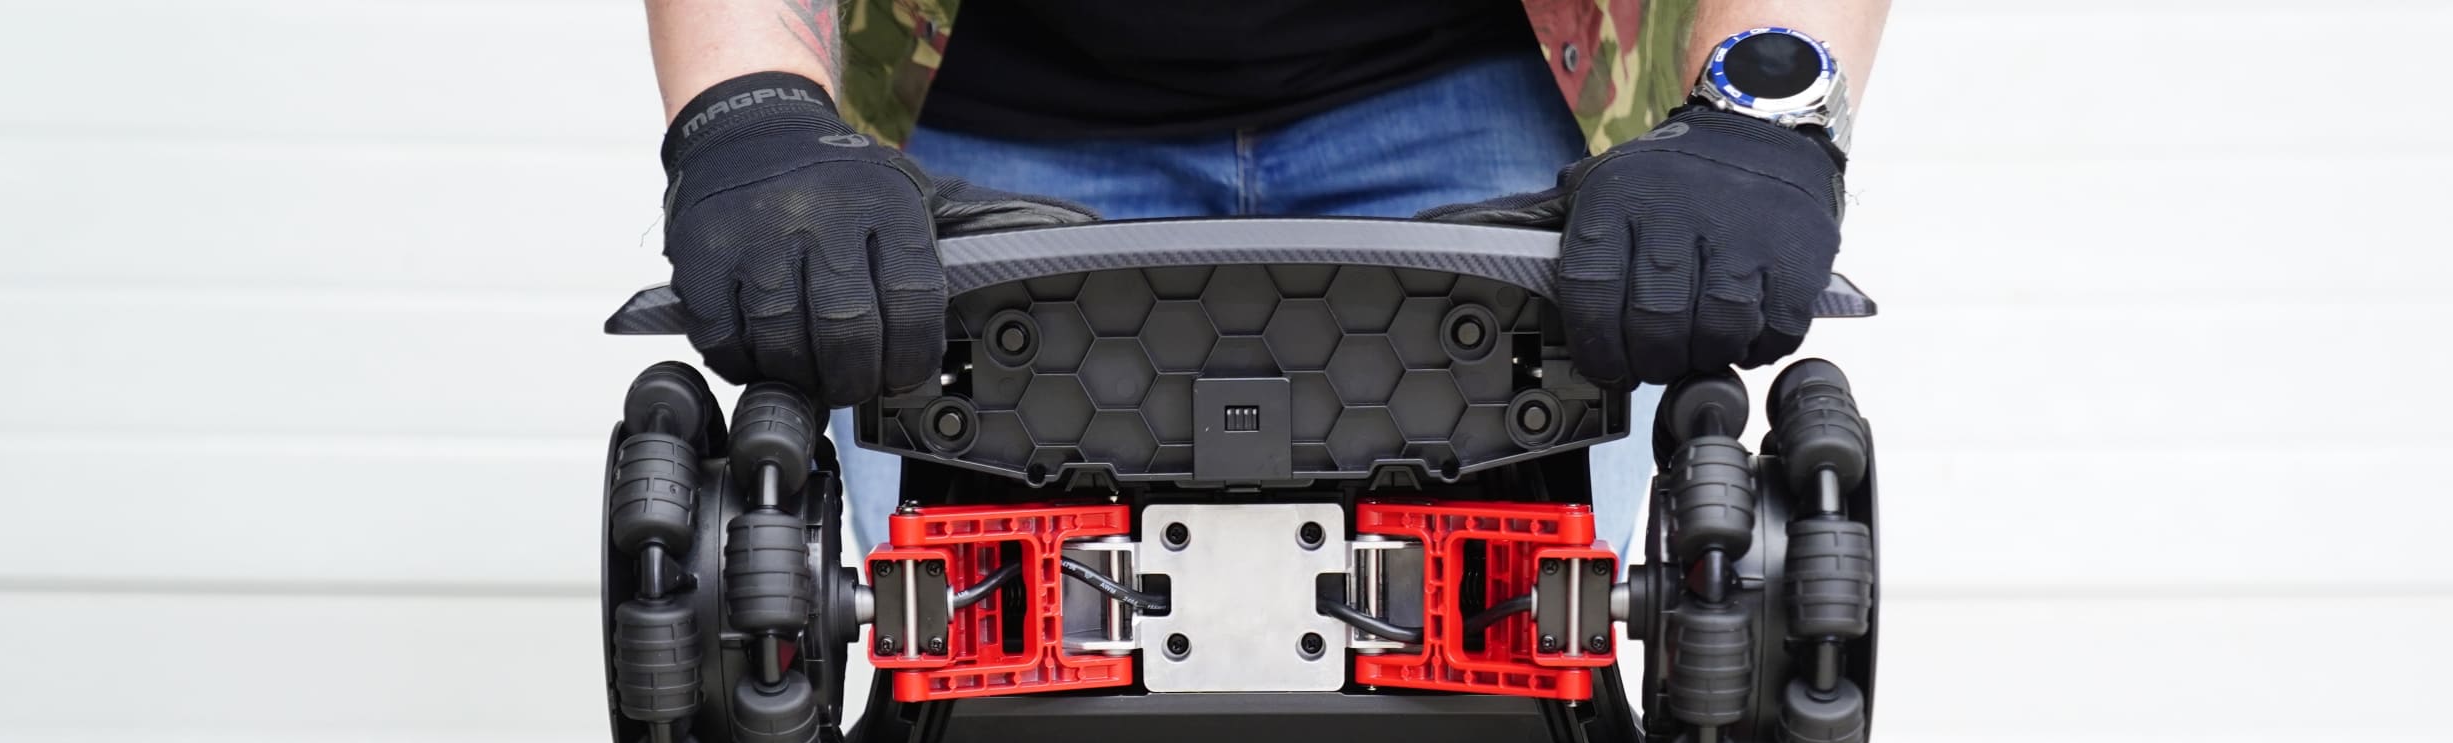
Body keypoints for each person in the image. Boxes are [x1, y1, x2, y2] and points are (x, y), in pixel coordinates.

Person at [640, 1, 1887, 552]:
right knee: (980, 733)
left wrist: (1764, 111)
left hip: (1483, 95)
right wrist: (748, 109)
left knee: (1513, 723)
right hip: (976, 117)